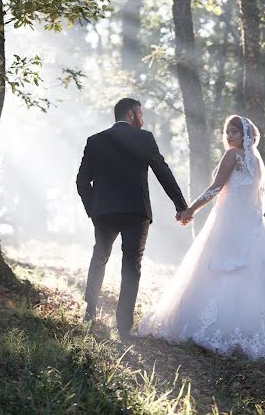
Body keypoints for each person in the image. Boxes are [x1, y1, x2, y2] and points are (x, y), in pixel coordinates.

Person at [139, 115, 265, 364]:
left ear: (246, 136)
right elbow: (254, 199)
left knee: (219, 268)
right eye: (228, 132)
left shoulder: (232, 155)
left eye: (236, 133)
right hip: (251, 223)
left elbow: (216, 188)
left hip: (229, 221)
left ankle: (221, 328)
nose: (230, 136)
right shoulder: (256, 161)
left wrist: (190, 211)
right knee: (256, 273)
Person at [76, 98, 188, 341]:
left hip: (104, 212)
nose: (143, 119)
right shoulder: (144, 138)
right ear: (130, 115)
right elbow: (163, 172)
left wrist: (94, 209)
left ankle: (89, 312)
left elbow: (82, 182)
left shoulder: (95, 140)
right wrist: (181, 205)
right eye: (141, 114)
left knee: (99, 258)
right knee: (131, 265)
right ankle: (124, 327)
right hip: (136, 213)